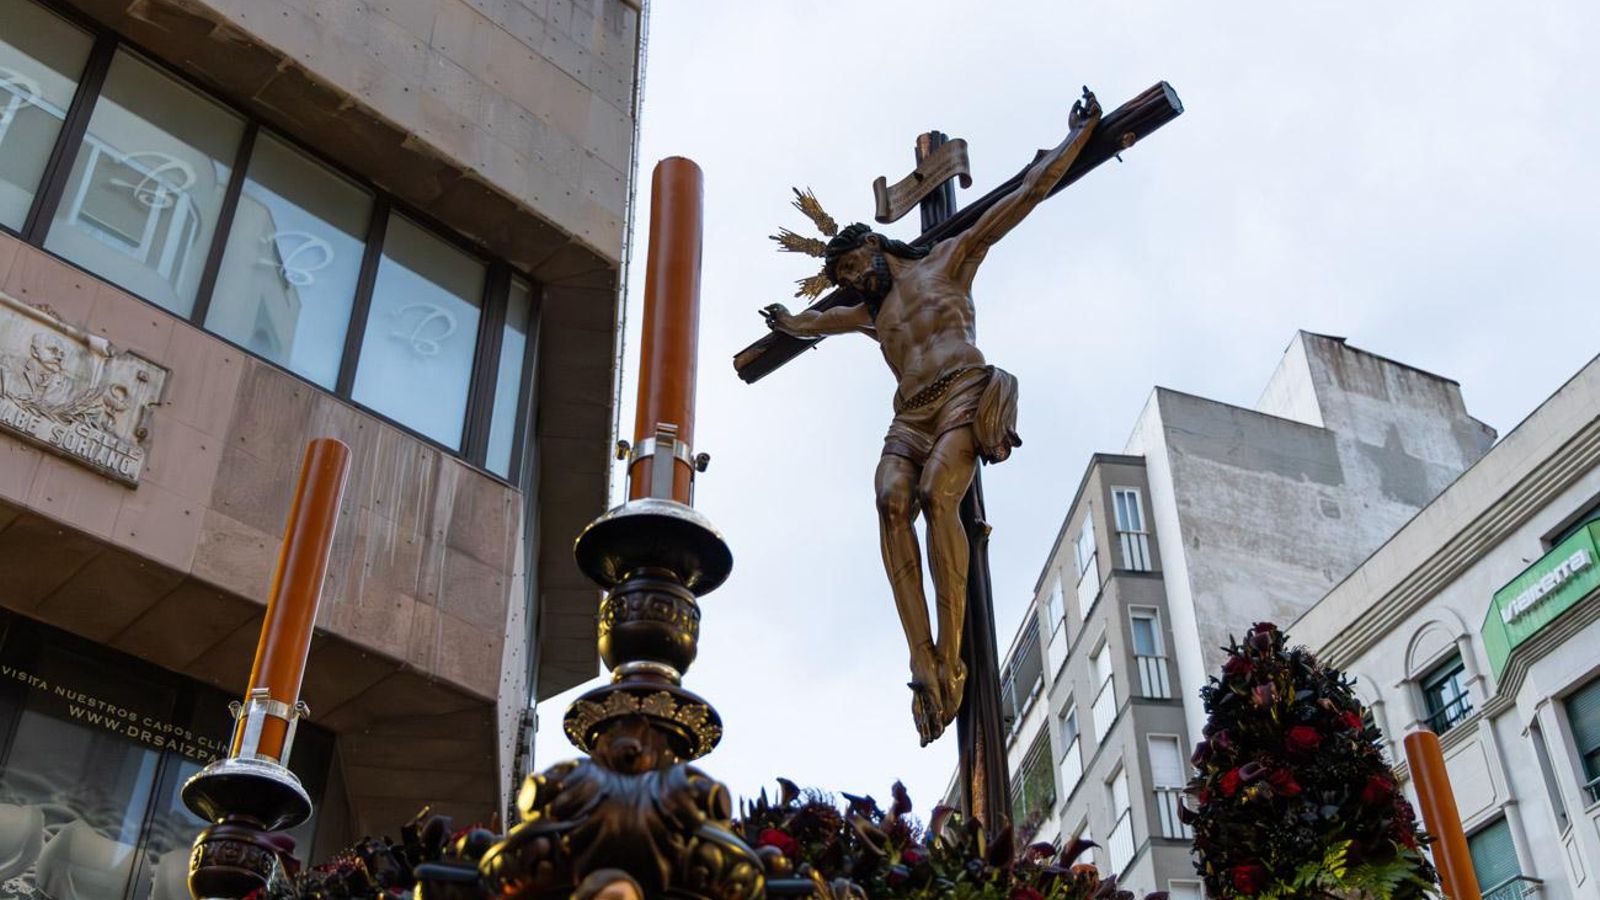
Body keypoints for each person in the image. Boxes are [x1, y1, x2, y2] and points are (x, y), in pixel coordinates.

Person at [761, 89, 1102, 744]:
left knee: (934, 496)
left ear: (877, 248)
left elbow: (1025, 195)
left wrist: (1078, 139)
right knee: (891, 500)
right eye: (843, 274)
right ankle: (921, 653)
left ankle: (953, 654)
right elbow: (814, 322)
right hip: (911, 413)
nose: (853, 280)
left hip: (964, 391)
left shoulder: (951, 259)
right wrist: (788, 320)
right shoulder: (868, 311)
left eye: (855, 265)